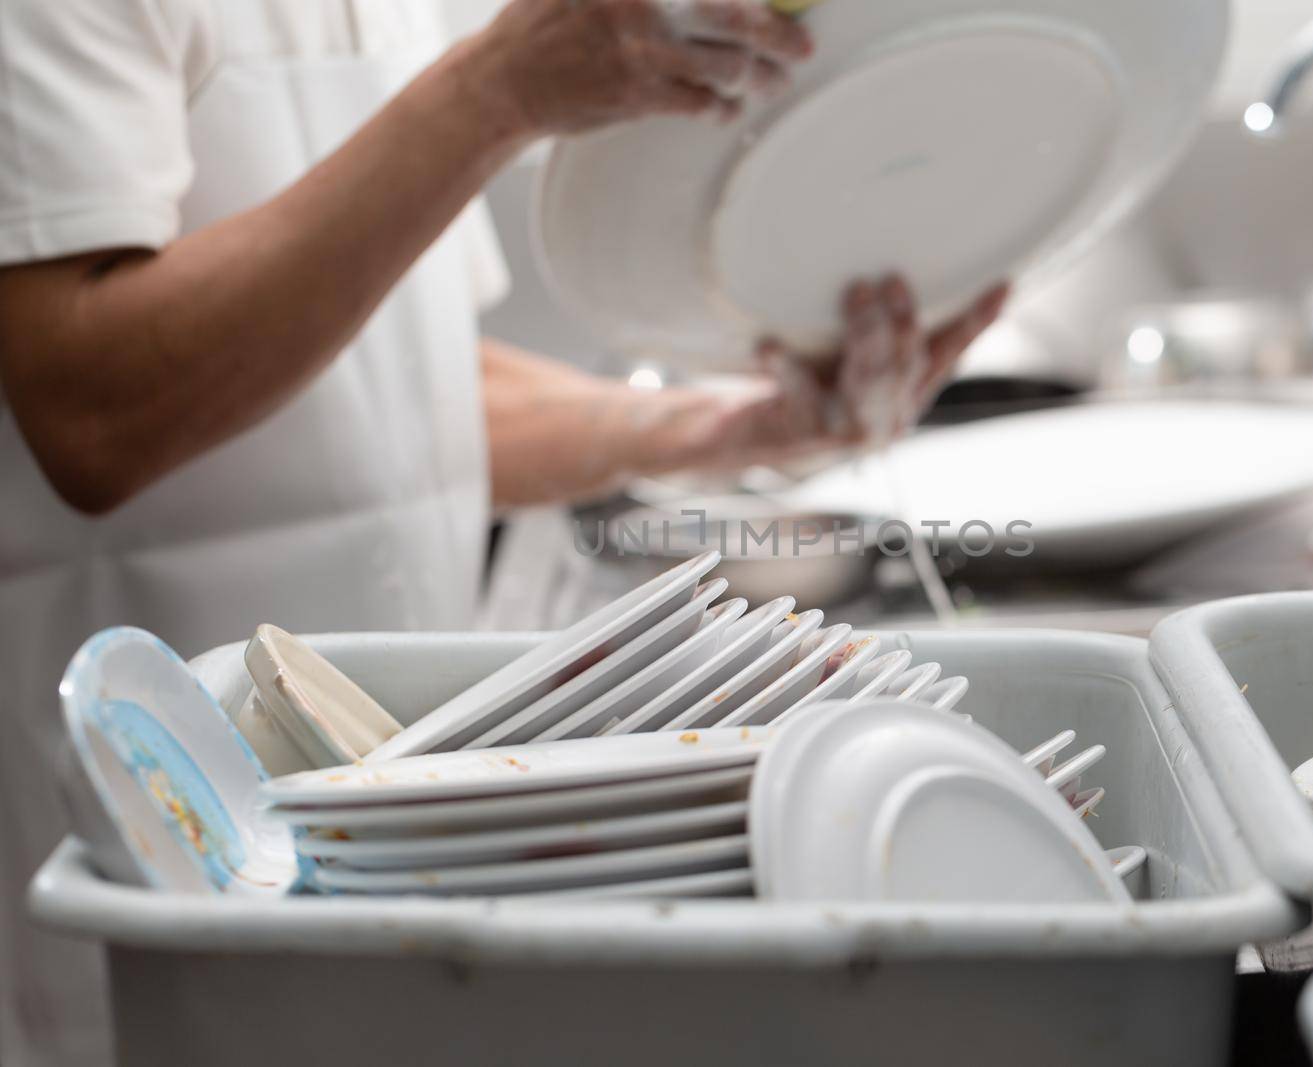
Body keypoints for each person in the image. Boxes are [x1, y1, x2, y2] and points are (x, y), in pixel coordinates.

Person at [0, 1, 1007, 1063]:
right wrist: (492, 90)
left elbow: (411, 384)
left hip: (401, 803)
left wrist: (737, 425)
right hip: (170, 826)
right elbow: (91, 407)